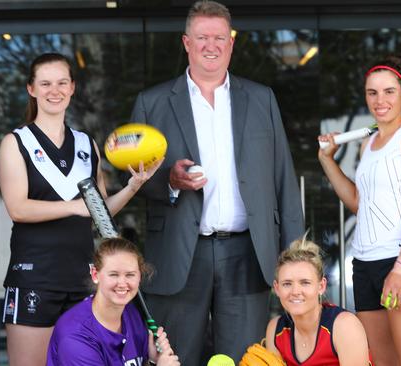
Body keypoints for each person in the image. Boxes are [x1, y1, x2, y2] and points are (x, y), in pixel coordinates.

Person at [129, 1, 305, 363]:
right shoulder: (152, 103)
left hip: (247, 253)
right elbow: (133, 181)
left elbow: (283, 179)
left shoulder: (261, 98)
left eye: (219, 37)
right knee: (175, 359)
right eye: (202, 37)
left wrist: (295, 258)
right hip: (179, 254)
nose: (211, 45)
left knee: (246, 360)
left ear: (231, 43)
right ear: (186, 43)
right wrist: (170, 182)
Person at [0, 53, 161, 366]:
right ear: (32, 89)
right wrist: (74, 207)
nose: (54, 90)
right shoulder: (15, 142)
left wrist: (132, 186)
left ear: (73, 87)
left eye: (62, 83)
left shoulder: (87, 144)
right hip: (35, 277)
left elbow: (99, 212)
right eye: (45, 83)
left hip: (81, 278)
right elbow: (18, 209)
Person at [318, 55, 401, 366]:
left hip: (400, 264)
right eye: (372, 92)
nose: (379, 100)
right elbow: (359, 203)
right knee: (383, 363)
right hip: (365, 265)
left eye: (389, 92)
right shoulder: (365, 145)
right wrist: (328, 160)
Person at [47, 237, 180, 366]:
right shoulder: (75, 337)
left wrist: (152, 360)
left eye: (130, 275)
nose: (122, 283)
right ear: (95, 275)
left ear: (140, 276)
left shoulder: (131, 313)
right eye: (113, 274)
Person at [264, 237, 372, 366]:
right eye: (287, 284)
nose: (295, 291)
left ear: (321, 286)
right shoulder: (275, 329)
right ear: (277, 288)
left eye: (305, 283)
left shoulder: (344, 326)